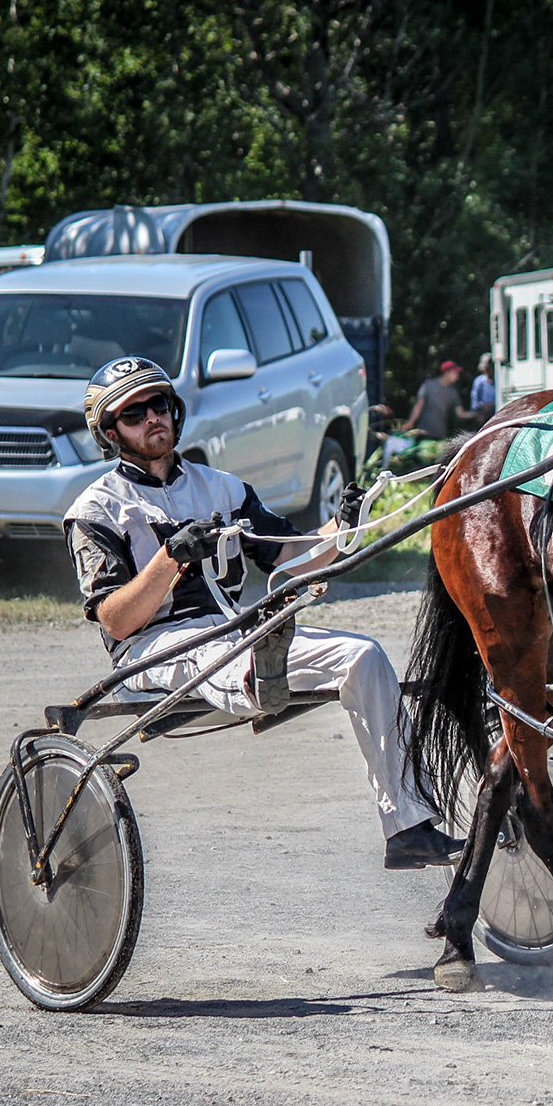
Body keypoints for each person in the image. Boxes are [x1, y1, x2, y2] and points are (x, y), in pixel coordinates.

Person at [63, 357, 463, 870]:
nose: (150, 418)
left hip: (233, 633)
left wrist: (342, 527)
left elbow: (291, 554)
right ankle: (262, 671)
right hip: (151, 650)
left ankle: (407, 826)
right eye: (133, 413)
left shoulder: (222, 489)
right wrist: (170, 558)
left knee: (364, 655)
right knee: (235, 653)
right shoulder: (96, 509)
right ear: (109, 431)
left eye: (157, 404)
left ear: (174, 409)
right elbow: (115, 620)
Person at [404, 359, 474, 439]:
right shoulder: (428, 385)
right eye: (455, 373)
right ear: (447, 372)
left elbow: (460, 413)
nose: (457, 376)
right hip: (424, 434)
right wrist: (410, 423)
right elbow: (418, 406)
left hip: (441, 436)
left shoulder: (453, 392)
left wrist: (476, 414)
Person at [469, 353, 497, 426]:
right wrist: (482, 406)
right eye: (485, 366)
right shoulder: (479, 381)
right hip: (483, 416)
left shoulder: (499, 381)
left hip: (497, 414)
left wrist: (493, 405)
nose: (487, 368)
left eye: (490, 366)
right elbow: (474, 402)